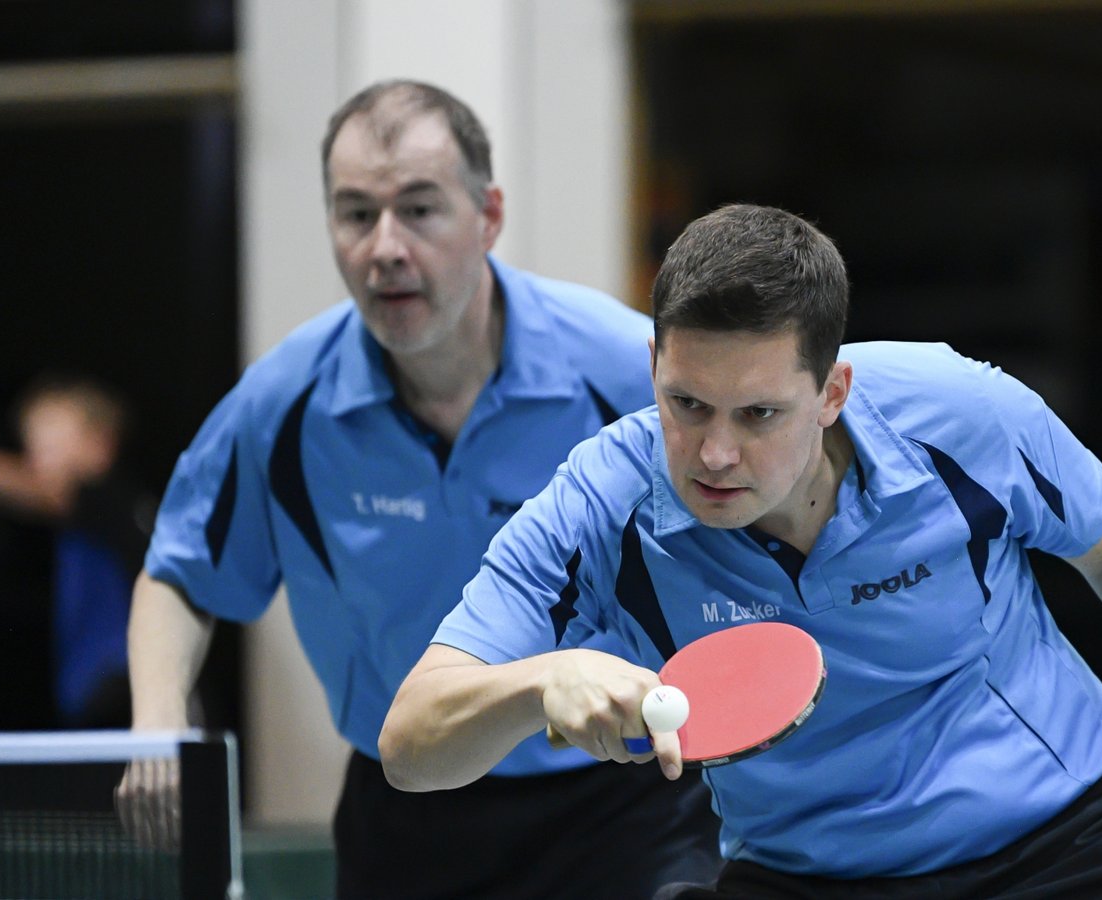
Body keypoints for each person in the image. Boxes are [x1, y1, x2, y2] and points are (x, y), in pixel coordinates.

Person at [381, 204, 1102, 898]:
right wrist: (538, 681)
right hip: (804, 877)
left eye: (758, 413)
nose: (714, 452)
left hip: (1055, 850)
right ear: (653, 364)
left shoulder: (959, 416)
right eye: (685, 403)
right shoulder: (600, 504)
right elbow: (411, 743)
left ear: (832, 391)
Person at [115, 80, 720, 899]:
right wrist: (157, 727)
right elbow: (183, 573)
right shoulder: (284, 405)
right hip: (409, 804)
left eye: (420, 209)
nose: (385, 247)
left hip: (626, 801)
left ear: (488, 216)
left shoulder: (625, 372)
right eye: (356, 214)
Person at [0, 375, 154, 727]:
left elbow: (49, 493)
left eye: (53, 445)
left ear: (101, 444)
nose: (36, 461)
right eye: (33, 446)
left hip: (133, 691)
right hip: (94, 694)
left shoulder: (109, 499)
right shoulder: (90, 518)